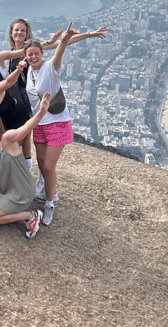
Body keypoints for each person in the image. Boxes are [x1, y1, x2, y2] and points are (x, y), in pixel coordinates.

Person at [25, 22, 107, 226]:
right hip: (39, 124)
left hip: (57, 122)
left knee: (49, 167)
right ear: (26, 57)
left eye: (36, 54)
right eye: (30, 55)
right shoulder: (28, 72)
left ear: (41, 54)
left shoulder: (50, 68)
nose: (33, 57)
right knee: (42, 165)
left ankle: (50, 203)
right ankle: (48, 193)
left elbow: (59, 52)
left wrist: (65, 39)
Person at [0, 93, 52, 239]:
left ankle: (30, 216)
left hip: (20, 190)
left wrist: (41, 112)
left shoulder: (6, 139)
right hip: (2, 187)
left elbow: (25, 128)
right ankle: (5, 205)